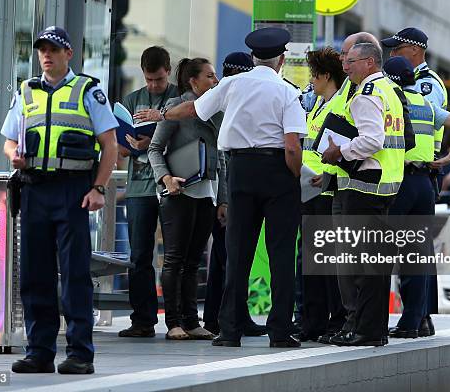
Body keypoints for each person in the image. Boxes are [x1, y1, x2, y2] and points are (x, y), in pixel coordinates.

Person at [141, 27, 306, 348]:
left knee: (237, 252)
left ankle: (229, 330)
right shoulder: (288, 92)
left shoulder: (232, 84)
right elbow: (292, 147)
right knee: (282, 255)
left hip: (240, 171)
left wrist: (160, 113)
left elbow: (191, 109)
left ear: (253, 57)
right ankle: (280, 332)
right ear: (281, 60)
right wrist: (293, 176)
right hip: (278, 173)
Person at [1, 26, 118, 374]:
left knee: (74, 274)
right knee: (34, 274)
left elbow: (110, 144)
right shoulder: (26, 91)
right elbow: (8, 140)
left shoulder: (88, 90)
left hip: (73, 190)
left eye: (54, 49)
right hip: (34, 188)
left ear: (69, 53)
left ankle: (80, 353)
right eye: (42, 50)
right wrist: (14, 155)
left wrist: (98, 188)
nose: (46, 55)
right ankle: (39, 351)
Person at [321, 42, 405, 347]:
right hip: (388, 183)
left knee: (362, 264)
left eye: (351, 62)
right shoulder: (390, 91)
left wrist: (338, 152)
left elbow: (372, 140)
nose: (345, 67)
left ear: (369, 62)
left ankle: (365, 331)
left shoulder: (366, 95)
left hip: (365, 184)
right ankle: (374, 330)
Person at [382, 56, 450, 338]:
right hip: (424, 184)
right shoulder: (425, 103)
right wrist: (449, 157)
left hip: (400, 182)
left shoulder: (393, 101)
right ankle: (413, 322)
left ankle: (372, 321)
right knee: (416, 256)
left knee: (381, 252)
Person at [147, 57, 225, 340]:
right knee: (175, 260)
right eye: (209, 76)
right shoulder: (176, 108)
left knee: (194, 261)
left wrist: (223, 198)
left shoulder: (216, 111)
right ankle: (173, 323)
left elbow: (223, 156)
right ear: (193, 81)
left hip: (207, 192)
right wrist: (167, 179)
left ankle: (192, 321)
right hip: (178, 192)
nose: (215, 81)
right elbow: (154, 149)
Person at [202, 52, 267, 337]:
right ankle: (221, 318)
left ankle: (233, 316)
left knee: (230, 258)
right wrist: (224, 200)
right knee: (224, 259)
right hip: (219, 194)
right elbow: (223, 160)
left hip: (224, 193)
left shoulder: (232, 101)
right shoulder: (222, 105)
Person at [117, 46, 178, 338]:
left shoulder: (180, 98)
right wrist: (129, 143)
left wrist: (160, 120)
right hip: (139, 186)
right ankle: (142, 319)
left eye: (160, 80)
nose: (154, 85)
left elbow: (187, 135)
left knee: (175, 256)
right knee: (140, 255)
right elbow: (118, 148)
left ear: (169, 71)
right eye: (150, 80)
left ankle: (177, 320)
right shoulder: (131, 100)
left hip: (173, 184)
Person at [297, 47, 347, 343]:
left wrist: (327, 177)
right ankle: (313, 322)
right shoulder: (316, 104)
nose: (311, 80)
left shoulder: (339, 104)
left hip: (327, 189)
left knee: (327, 262)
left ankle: (336, 320)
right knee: (310, 260)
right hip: (309, 189)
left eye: (315, 75)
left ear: (327, 75)